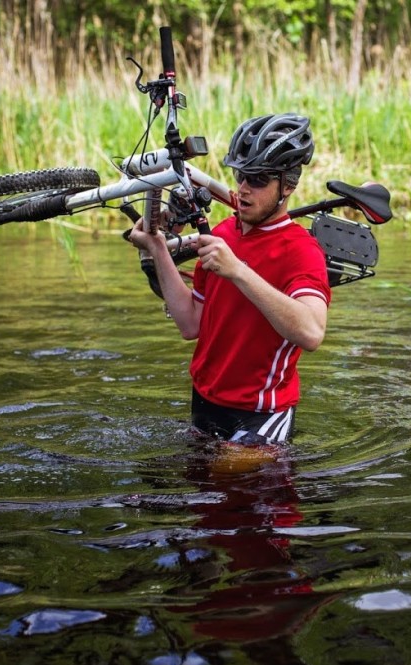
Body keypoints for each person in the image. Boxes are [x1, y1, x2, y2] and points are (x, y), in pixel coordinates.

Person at [129, 113, 330, 445]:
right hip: (205, 403)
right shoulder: (223, 234)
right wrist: (157, 249)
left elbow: (311, 333)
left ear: (288, 185)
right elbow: (191, 323)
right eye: (241, 175)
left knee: (231, 484)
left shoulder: (302, 251)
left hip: (260, 416)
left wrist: (238, 270)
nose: (244, 189)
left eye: (259, 179)